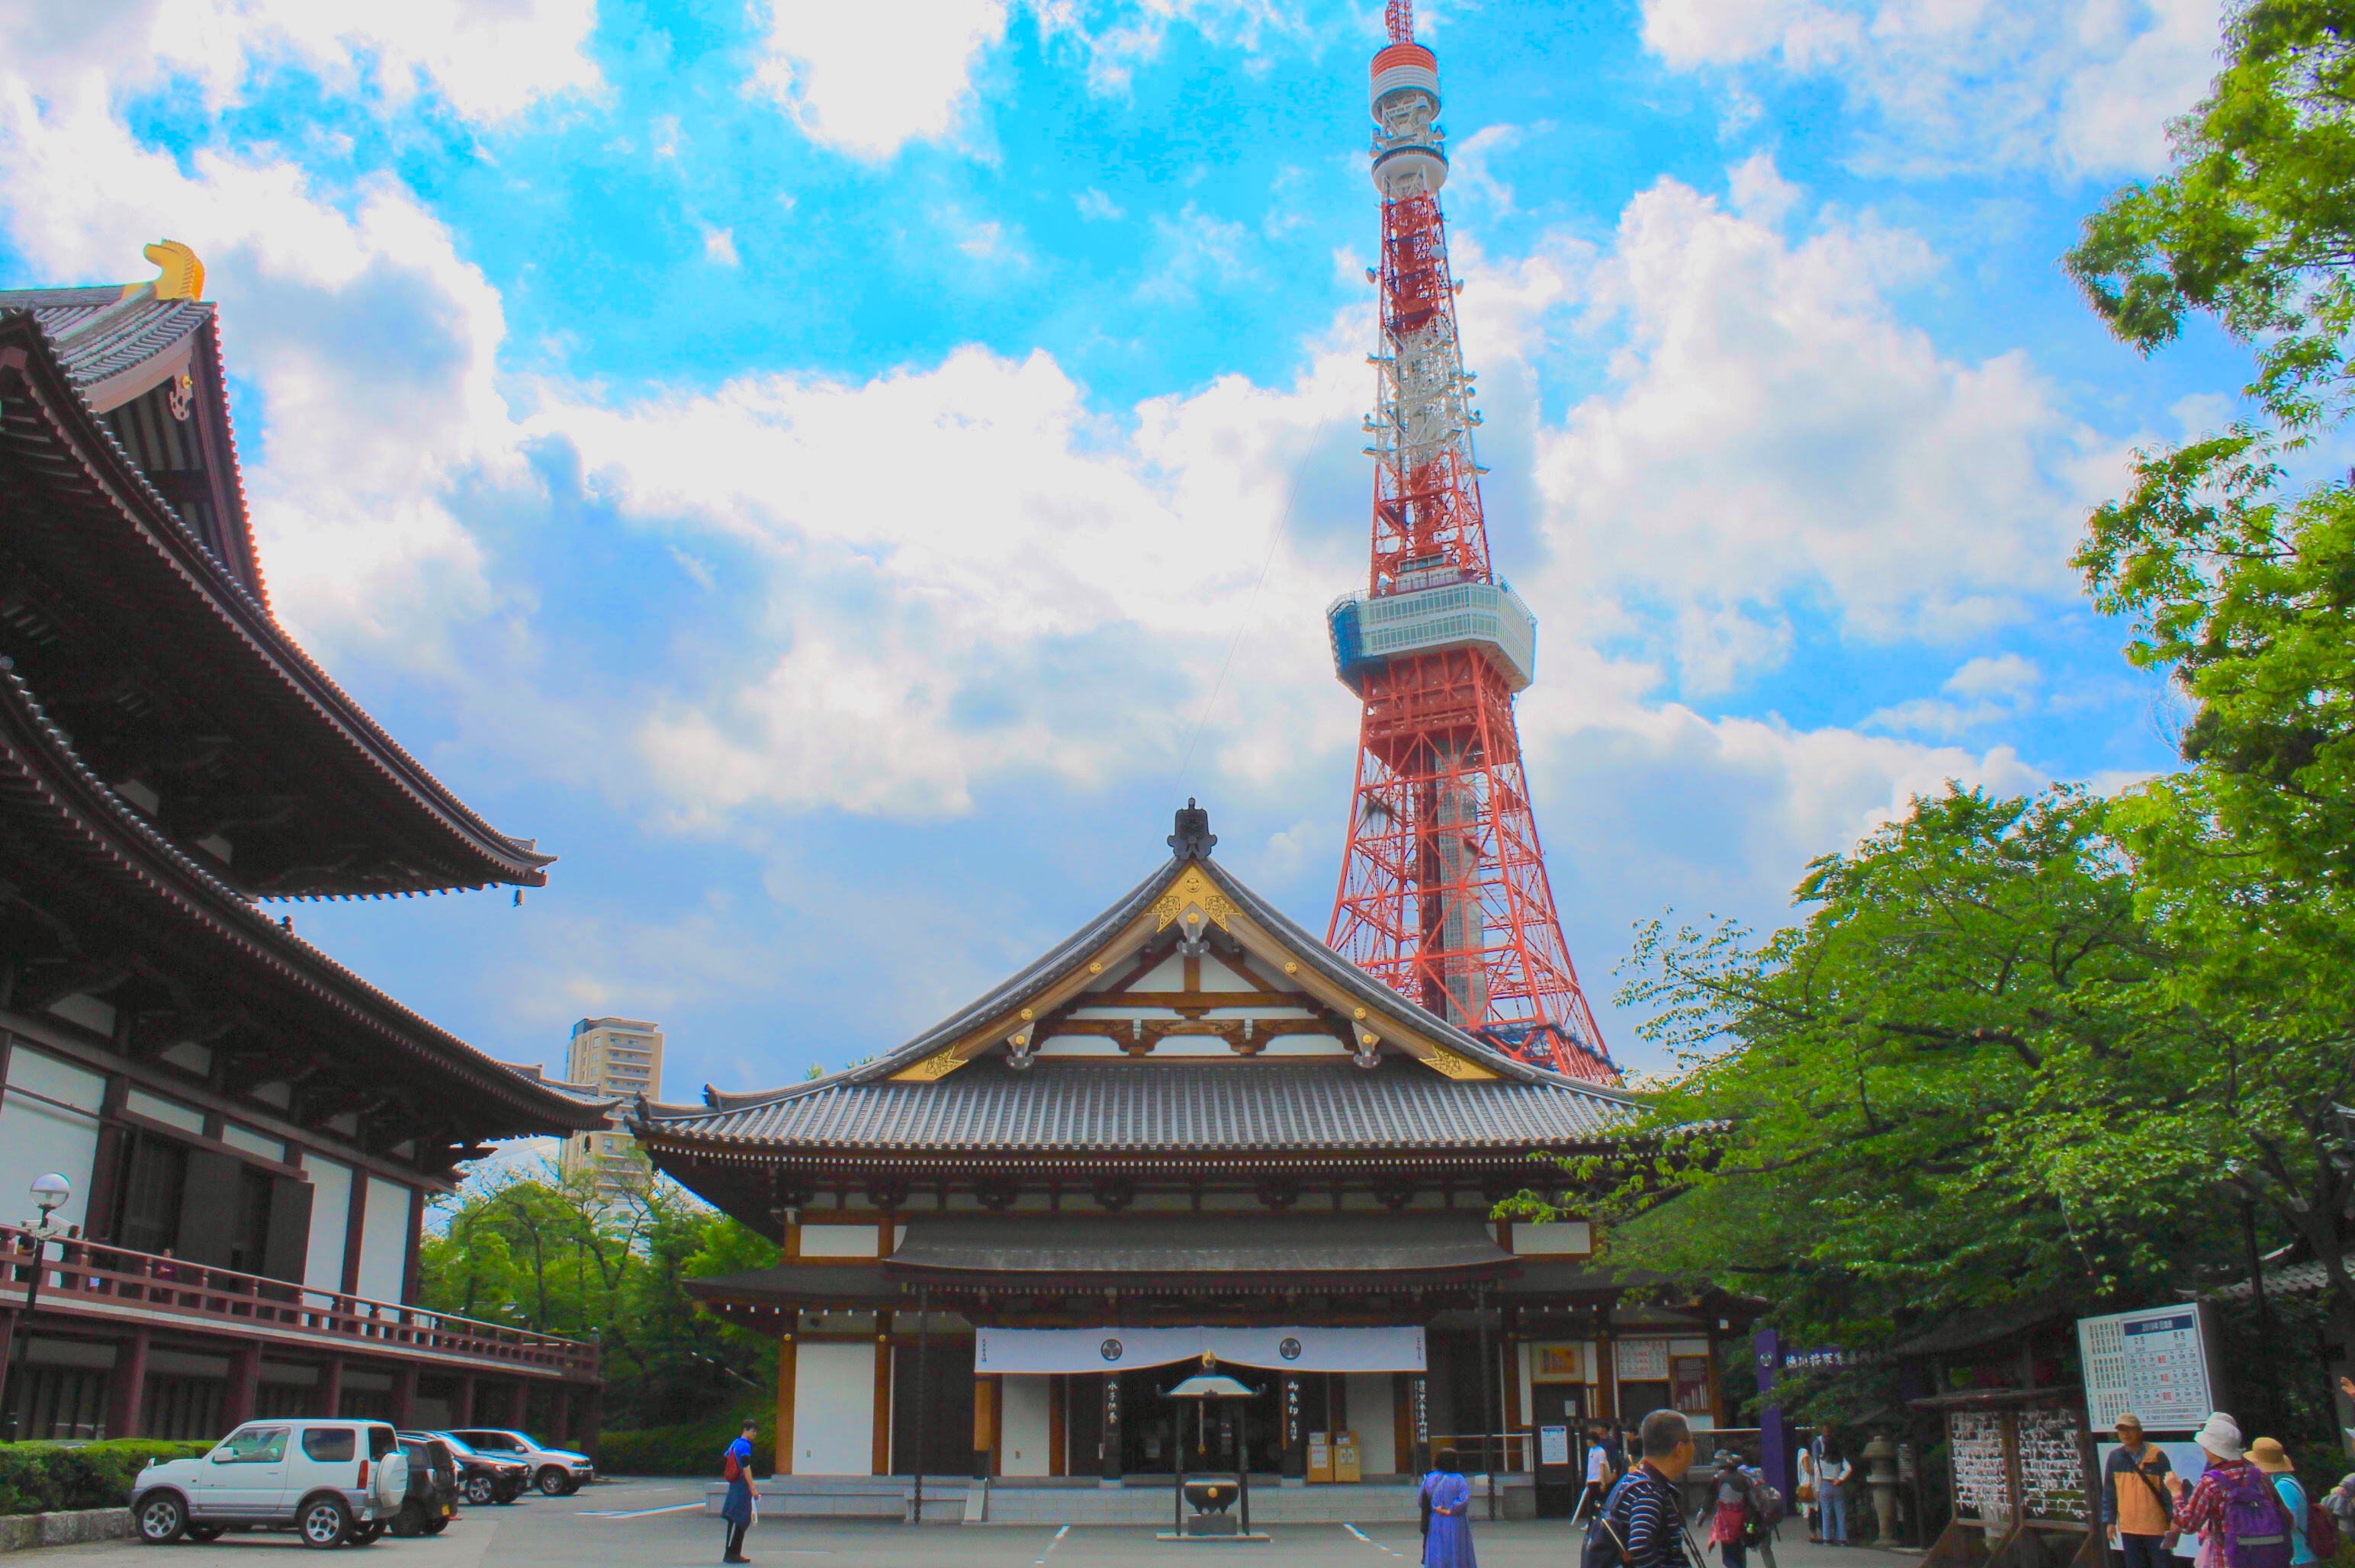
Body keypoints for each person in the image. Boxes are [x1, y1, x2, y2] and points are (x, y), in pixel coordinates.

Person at [2167, 1411, 2292, 1568]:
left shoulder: (2211, 1482)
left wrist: (2176, 1493)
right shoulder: (2259, 1475)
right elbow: (2287, 1518)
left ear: (2210, 1447)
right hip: (2265, 1558)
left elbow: (2187, 1524)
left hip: (2228, 1560)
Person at [2105, 1413, 2177, 1568]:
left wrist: (2174, 1519)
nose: (2125, 1434)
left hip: (2155, 1526)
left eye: (2129, 1429)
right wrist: (2110, 1521)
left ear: (2139, 1431)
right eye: (2121, 1430)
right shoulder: (2115, 1457)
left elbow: (2168, 1492)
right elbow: (2110, 1492)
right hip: (2129, 1527)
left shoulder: (2157, 1456)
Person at [2249, 1439, 2314, 1566]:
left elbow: (2290, 1523)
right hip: (2300, 1557)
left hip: (2297, 1559)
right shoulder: (2288, 1480)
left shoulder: (2282, 1486)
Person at [1421, 1446, 1477, 1568]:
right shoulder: (1459, 1479)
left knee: (1438, 1548)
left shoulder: (1429, 1479)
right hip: (1456, 1520)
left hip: (1436, 1518)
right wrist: (1451, 1510)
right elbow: (1464, 1499)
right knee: (1457, 1549)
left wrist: (1436, 1508)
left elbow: (1421, 1500)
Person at [1701, 1451, 1757, 1568]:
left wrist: (1702, 1515)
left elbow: (1709, 1498)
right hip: (1741, 1519)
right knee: (1739, 1552)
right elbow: (1750, 1499)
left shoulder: (1719, 1479)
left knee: (1729, 1556)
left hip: (1726, 1521)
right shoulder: (1742, 1478)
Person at [720, 1418, 757, 1564]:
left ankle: (729, 1551)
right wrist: (752, 1487)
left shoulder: (735, 1443)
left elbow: (726, 1457)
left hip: (733, 1485)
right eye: (753, 1431)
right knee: (742, 1519)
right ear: (746, 1430)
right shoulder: (745, 1446)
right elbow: (746, 1468)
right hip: (742, 1487)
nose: (755, 1434)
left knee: (732, 1518)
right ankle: (734, 1553)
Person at [1576, 1425, 1616, 1523]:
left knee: (1597, 1503)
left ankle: (1598, 1522)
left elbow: (1602, 1467)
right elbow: (1591, 1467)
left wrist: (1602, 1483)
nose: (1586, 1442)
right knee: (1591, 1504)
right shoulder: (1591, 1451)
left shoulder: (1601, 1451)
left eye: (1588, 1439)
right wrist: (1587, 1480)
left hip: (1597, 1481)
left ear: (1592, 1440)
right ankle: (1591, 1523)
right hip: (1591, 1480)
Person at [1819, 1438, 1851, 1547]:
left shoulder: (1821, 1459)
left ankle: (1827, 1538)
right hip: (1837, 1485)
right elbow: (1849, 1469)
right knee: (1840, 1512)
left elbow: (1818, 1474)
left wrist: (1817, 1489)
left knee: (1826, 1512)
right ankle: (1842, 1538)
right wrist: (1840, 1479)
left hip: (1825, 1485)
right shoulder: (1840, 1458)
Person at [1798, 1438, 1821, 1544]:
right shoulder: (1805, 1452)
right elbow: (1807, 1467)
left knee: (1811, 1509)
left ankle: (1813, 1533)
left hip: (1806, 1483)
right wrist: (1816, 1474)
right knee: (1812, 1508)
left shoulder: (1802, 1451)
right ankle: (1813, 1533)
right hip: (1809, 1483)